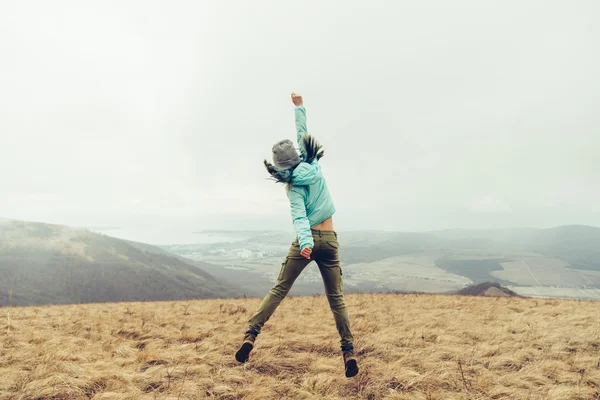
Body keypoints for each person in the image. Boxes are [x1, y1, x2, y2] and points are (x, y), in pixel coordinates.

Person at [235, 93, 358, 378]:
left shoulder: (292, 188)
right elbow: (303, 135)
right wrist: (299, 107)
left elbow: (299, 218)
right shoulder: (314, 168)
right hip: (329, 240)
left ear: (281, 167)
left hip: (307, 242)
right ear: (299, 156)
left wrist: (304, 243)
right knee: (336, 297)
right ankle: (348, 351)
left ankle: (251, 335)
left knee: (279, 289)